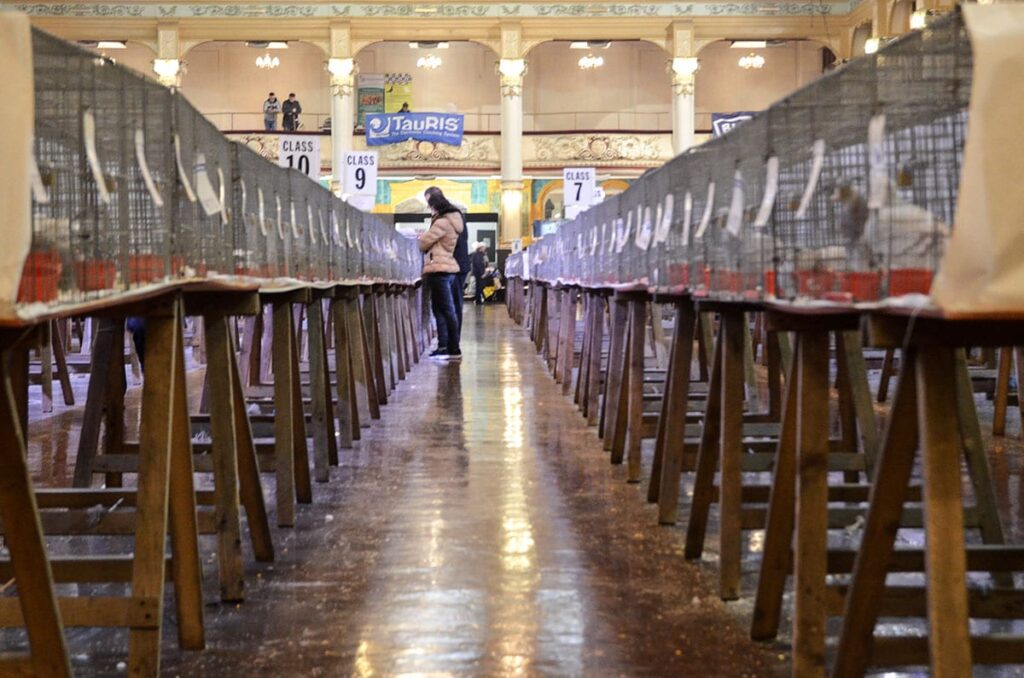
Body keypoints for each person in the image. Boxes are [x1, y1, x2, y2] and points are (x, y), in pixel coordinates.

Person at [419, 187, 465, 360]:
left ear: (435, 206)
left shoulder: (442, 222)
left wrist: (422, 236)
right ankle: (444, 345)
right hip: (446, 268)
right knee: (440, 309)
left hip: (439, 268)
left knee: (446, 309)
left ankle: (453, 347)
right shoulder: (452, 221)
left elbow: (424, 243)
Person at [470, 241, 489, 305]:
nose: (485, 248)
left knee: (480, 286)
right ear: (480, 248)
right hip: (479, 273)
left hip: (480, 272)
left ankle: (479, 299)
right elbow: (478, 264)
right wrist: (482, 273)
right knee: (479, 286)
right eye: (484, 247)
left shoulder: (481, 254)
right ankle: (478, 300)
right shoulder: (477, 255)